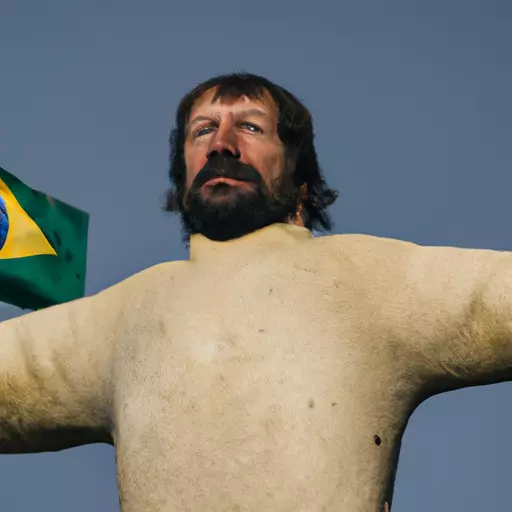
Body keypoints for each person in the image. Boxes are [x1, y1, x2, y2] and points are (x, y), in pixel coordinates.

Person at [0, 72, 510, 512]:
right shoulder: (124, 316)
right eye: (203, 130)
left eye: (248, 126)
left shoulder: (367, 278)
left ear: (300, 180)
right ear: (181, 183)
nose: (221, 143)